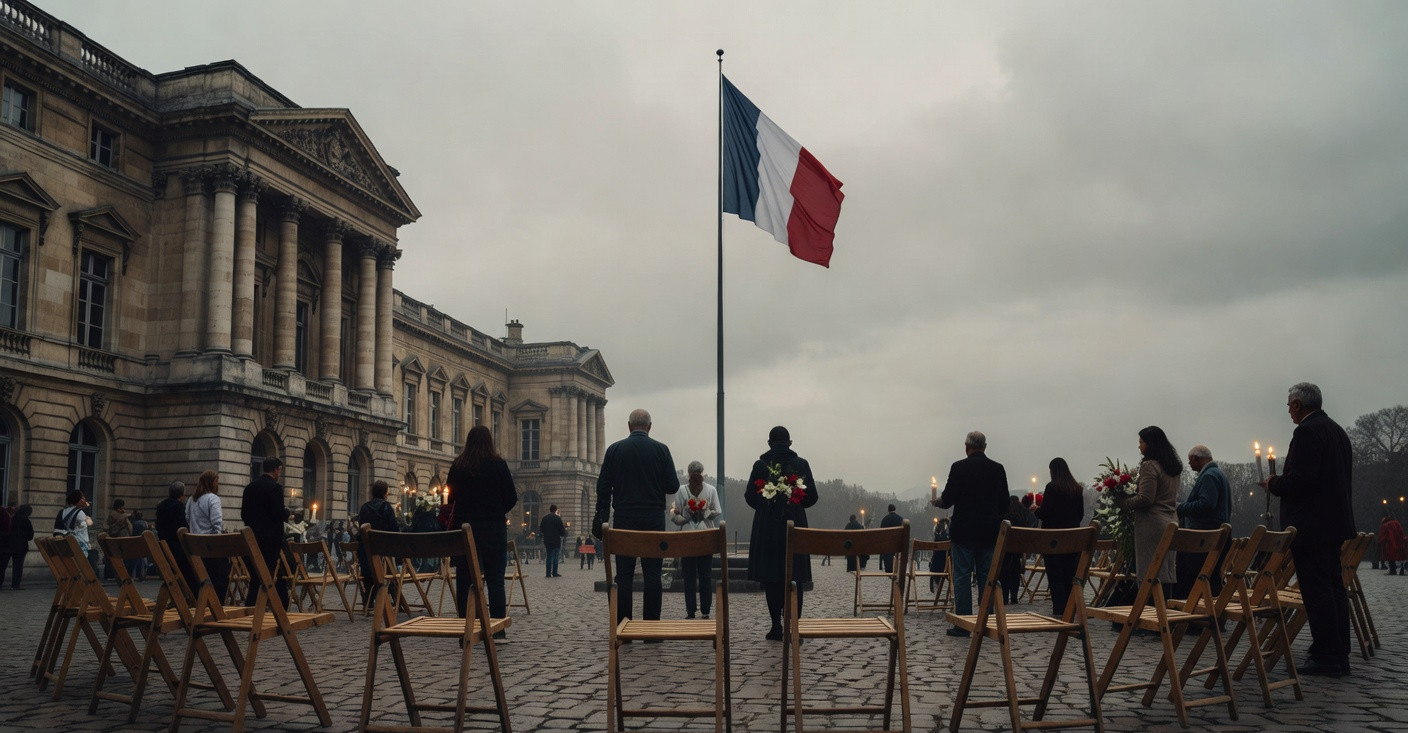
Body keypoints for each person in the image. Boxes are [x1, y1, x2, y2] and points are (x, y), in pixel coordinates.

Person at [1264, 382, 1355, 676]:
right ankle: (1339, 652)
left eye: (1289, 405)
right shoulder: (1337, 431)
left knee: (1317, 591)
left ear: (1299, 405)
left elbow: (1302, 480)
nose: (1289, 411)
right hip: (1333, 521)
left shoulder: (1306, 431)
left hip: (1311, 524)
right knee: (1334, 587)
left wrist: (1274, 483)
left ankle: (1326, 655)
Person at [593, 408, 679, 624]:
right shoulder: (662, 450)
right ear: (650, 427)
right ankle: (651, 626)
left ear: (629, 426)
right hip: (653, 519)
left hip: (624, 518)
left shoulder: (615, 450)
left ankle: (624, 624)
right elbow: (672, 485)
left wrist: (602, 514)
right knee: (652, 574)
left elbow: (603, 487)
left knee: (624, 575)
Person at [932, 430, 1008, 637]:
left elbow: (948, 499)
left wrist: (938, 501)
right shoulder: (997, 469)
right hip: (988, 530)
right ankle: (987, 619)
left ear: (967, 447)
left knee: (962, 575)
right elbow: (1004, 503)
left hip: (964, 530)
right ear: (985, 446)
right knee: (986, 576)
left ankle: (964, 622)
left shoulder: (959, 467)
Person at [745, 426, 818, 641]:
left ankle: (776, 626)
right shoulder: (801, 464)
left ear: (769, 443)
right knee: (795, 577)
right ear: (790, 443)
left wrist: (768, 501)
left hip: (767, 528)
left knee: (771, 578)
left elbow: (750, 496)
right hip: (794, 526)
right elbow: (812, 497)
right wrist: (795, 499)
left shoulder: (760, 465)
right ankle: (793, 627)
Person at [446, 425, 517, 624]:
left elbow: (450, 497)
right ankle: (497, 627)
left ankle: (467, 624)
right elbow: (512, 496)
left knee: (465, 579)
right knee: (495, 579)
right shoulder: (498, 465)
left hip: (465, 529)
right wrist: (496, 509)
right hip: (493, 528)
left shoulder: (459, 465)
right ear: (489, 442)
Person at [1114, 426, 1180, 597]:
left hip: (1152, 524)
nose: (1139, 446)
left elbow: (1146, 499)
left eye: (1142, 442)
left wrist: (1124, 502)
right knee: (1166, 572)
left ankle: (1148, 613)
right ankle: (1164, 611)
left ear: (1151, 444)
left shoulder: (1150, 466)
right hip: (1170, 521)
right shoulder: (1172, 467)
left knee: (1149, 572)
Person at [1174, 445, 1231, 599]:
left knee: (1194, 576)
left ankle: (1194, 613)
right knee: (1211, 577)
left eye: (1190, 461)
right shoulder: (1218, 474)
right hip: (1216, 534)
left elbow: (1206, 504)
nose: (1190, 465)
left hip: (1204, 536)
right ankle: (1211, 614)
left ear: (1197, 459)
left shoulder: (1208, 476)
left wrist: (1181, 507)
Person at [670, 460, 722, 619]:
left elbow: (717, 510)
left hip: (699, 535)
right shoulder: (683, 490)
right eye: (694, 473)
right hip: (694, 535)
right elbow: (674, 513)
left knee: (698, 575)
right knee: (696, 575)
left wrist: (704, 512)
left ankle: (698, 610)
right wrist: (686, 517)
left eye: (698, 473)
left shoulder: (709, 490)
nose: (696, 476)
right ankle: (697, 610)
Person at [1034, 458, 1085, 616]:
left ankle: (1059, 608)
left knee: (1056, 574)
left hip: (1053, 539)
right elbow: (1080, 514)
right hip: (1072, 538)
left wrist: (1036, 509)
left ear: (1053, 471)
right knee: (1070, 573)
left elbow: (1045, 513)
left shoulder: (1052, 487)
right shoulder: (1076, 488)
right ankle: (1071, 607)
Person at [241, 457, 291, 608]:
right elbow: (280, 513)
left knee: (257, 573)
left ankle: (255, 604)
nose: (279, 474)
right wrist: (287, 512)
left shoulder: (249, 487)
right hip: (271, 539)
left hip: (253, 537)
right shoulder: (275, 488)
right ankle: (273, 604)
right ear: (276, 470)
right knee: (268, 572)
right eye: (280, 470)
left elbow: (244, 514)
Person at [186, 469, 230, 602]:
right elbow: (217, 523)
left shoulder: (191, 500)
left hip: (195, 546)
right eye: (217, 481)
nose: (218, 484)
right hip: (211, 547)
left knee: (200, 580)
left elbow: (187, 518)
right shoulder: (213, 498)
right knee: (220, 579)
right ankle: (217, 606)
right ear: (212, 482)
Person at [356, 480, 402, 606]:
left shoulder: (365, 507)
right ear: (385, 493)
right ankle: (393, 597)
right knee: (388, 569)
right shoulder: (386, 507)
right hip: (383, 551)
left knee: (372, 569)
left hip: (366, 552)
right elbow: (394, 529)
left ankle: (369, 598)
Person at [156, 480, 196, 591]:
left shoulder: (161, 506)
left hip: (164, 547)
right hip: (178, 549)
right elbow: (183, 528)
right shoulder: (179, 507)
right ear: (181, 495)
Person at [1001, 495, 1038, 604]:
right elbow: (1033, 523)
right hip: (1018, 547)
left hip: (1005, 546)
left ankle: (1004, 596)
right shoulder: (1024, 512)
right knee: (1015, 571)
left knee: (1004, 572)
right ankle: (1014, 596)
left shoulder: (1005, 512)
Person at [55, 488, 93, 562]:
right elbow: (89, 523)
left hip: (65, 544)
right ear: (77, 499)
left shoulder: (63, 511)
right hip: (78, 545)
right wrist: (88, 516)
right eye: (82, 498)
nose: (84, 499)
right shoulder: (79, 512)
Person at [2, 505, 33, 589]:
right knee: (18, 567)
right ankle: (15, 585)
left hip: (7, 545)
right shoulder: (26, 520)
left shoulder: (11, 517)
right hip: (21, 547)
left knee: (2, 566)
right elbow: (30, 536)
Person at [104, 498, 132, 580]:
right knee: (119, 558)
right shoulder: (116, 515)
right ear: (118, 508)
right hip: (118, 539)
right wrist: (125, 515)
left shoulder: (118, 515)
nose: (123, 509)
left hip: (121, 539)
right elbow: (116, 525)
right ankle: (118, 574)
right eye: (122, 507)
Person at [538, 504, 566, 578]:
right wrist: (563, 534)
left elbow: (541, 529)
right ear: (555, 510)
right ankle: (554, 572)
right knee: (555, 557)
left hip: (547, 540)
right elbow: (562, 530)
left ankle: (548, 573)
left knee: (549, 557)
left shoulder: (545, 518)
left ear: (550, 510)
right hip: (556, 541)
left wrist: (543, 536)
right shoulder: (557, 518)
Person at [878, 504, 904, 573]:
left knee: (888, 554)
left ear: (888, 510)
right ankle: (896, 568)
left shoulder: (884, 519)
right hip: (897, 544)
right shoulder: (900, 519)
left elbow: (881, 534)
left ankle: (888, 568)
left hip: (887, 545)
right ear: (895, 509)